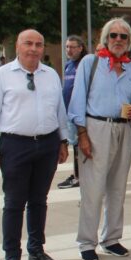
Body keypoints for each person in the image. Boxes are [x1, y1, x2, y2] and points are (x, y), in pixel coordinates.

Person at [0, 29, 69, 260]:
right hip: (16, 145)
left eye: (39, 44)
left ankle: (36, 249)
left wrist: (63, 141)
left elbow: (59, 110)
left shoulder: (50, 75)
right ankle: (11, 255)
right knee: (14, 203)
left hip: (47, 144)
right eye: (28, 43)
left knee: (39, 200)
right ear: (18, 46)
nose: (34, 48)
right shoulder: (1, 76)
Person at [69, 18, 131, 260]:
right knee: (93, 188)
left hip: (124, 129)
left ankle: (111, 238)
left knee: (117, 188)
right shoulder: (90, 63)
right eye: (114, 35)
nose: (118, 40)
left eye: (123, 36)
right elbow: (77, 100)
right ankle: (87, 242)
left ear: (129, 41)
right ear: (105, 38)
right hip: (96, 127)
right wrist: (81, 135)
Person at [58, 35, 87, 189]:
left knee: (79, 145)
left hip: (80, 113)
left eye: (73, 47)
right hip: (68, 111)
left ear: (80, 48)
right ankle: (77, 174)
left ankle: (79, 176)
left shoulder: (85, 64)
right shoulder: (68, 65)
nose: (69, 50)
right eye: (67, 47)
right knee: (74, 144)